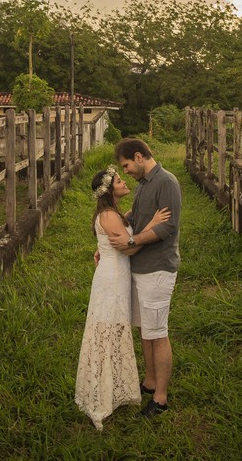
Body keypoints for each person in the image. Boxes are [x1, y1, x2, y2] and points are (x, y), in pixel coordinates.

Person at [75, 165, 170, 430]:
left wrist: (131, 219)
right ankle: (104, 394)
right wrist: (151, 225)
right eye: (119, 180)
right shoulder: (109, 216)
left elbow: (121, 226)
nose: (124, 181)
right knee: (108, 332)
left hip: (115, 277)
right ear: (110, 190)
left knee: (113, 331)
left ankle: (114, 388)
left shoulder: (113, 213)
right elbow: (128, 250)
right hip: (112, 281)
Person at [108, 137, 181, 418]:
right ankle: (150, 382)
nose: (125, 171)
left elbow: (168, 228)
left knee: (158, 333)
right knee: (145, 330)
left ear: (139, 157)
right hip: (140, 268)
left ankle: (160, 399)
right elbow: (137, 217)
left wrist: (132, 242)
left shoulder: (166, 182)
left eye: (126, 165)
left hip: (157, 269)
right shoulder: (143, 185)